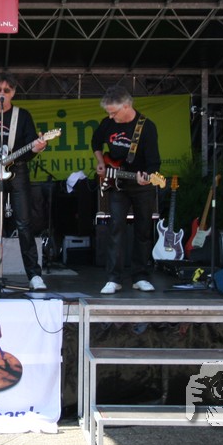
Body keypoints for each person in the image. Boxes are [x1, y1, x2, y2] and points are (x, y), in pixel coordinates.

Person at [0, 74, 47, 291]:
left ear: (13, 93)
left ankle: (34, 275)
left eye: (6, 90)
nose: (2, 94)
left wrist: (38, 147)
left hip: (18, 172)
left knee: (24, 224)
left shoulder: (22, 116)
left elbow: (31, 148)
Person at [92, 85, 162, 294]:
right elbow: (96, 142)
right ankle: (114, 278)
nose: (111, 117)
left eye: (113, 112)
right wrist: (101, 163)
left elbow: (154, 162)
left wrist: (146, 177)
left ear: (126, 106)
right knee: (116, 228)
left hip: (141, 186)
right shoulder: (108, 123)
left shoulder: (146, 127)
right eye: (109, 113)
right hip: (117, 185)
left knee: (143, 230)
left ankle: (140, 276)